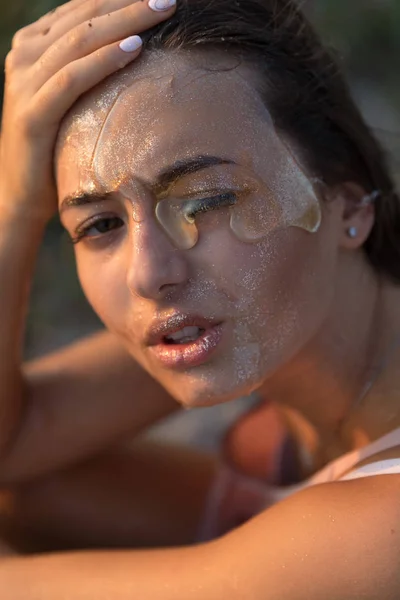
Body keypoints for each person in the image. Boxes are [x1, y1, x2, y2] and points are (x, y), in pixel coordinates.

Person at [0, 0, 400, 596]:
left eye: (206, 202)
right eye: (100, 225)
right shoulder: (252, 322)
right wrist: (16, 204)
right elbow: (16, 443)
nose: (147, 274)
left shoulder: (380, 532)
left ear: (348, 204)